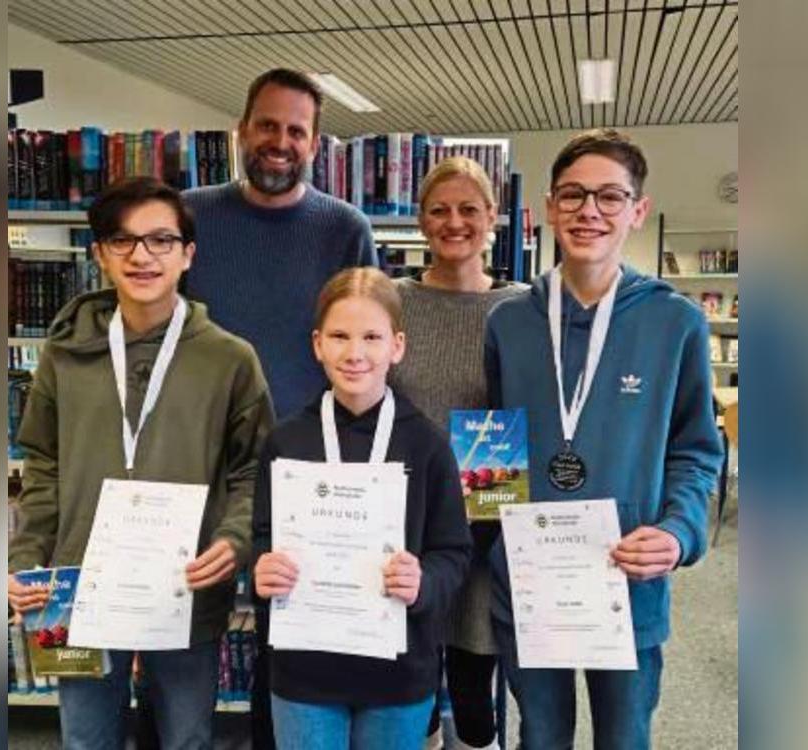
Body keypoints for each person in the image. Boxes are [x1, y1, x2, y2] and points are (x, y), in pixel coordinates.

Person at [7, 176, 274, 750]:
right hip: (76, 588)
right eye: (122, 241)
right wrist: (27, 559)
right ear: (100, 254)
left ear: (187, 254)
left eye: (160, 240)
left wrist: (233, 541)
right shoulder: (65, 353)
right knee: (85, 740)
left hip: (185, 585)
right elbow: (43, 465)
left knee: (186, 739)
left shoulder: (230, 359)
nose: (142, 256)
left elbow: (252, 469)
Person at [484, 129, 723, 749]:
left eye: (610, 197)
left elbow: (696, 451)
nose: (589, 210)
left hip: (628, 585)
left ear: (637, 210)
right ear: (548, 207)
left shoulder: (675, 322)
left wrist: (678, 533)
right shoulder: (508, 321)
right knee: (540, 736)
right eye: (573, 195)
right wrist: (491, 549)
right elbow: (492, 449)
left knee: (624, 737)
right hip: (530, 588)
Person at [252, 267, 473, 750]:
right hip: (305, 671)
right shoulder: (285, 441)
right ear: (317, 344)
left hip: (397, 673)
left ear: (397, 346)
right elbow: (262, 537)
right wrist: (260, 567)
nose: (355, 353)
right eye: (339, 336)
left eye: (371, 337)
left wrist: (425, 582)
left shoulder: (428, 445)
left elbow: (453, 553)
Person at [389, 156, 527, 750]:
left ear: (493, 217)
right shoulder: (392, 300)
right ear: (420, 220)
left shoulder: (523, 307)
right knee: (411, 670)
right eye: (439, 210)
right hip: (404, 522)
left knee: (474, 675)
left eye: (469, 208)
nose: (454, 222)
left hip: (486, 523)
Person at [182, 67, 377, 421]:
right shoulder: (187, 216)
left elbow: (367, 352)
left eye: (296, 131)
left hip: (311, 451)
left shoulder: (346, 230)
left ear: (314, 146)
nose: (280, 142)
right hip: (200, 441)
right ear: (243, 131)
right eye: (268, 125)